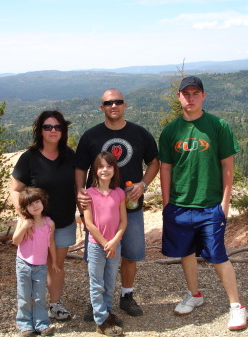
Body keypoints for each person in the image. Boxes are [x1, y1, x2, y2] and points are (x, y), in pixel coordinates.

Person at [158, 76, 248, 331]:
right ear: (179, 97)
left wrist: (224, 204)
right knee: (186, 252)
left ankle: (236, 306)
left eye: (195, 93)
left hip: (210, 205)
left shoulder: (218, 126)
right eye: (185, 93)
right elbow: (165, 168)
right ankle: (194, 294)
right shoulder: (170, 130)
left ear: (203, 96)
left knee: (218, 255)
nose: (190, 97)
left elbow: (227, 167)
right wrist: (167, 204)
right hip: (179, 204)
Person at [75, 88, 159, 318]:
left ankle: (126, 296)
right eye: (109, 103)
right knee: (97, 255)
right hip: (98, 206)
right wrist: (79, 192)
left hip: (130, 205)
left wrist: (143, 184)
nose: (114, 106)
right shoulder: (91, 136)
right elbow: (80, 167)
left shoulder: (139, 134)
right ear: (101, 107)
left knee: (130, 254)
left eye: (118, 102)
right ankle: (97, 302)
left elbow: (154, 162)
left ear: (125, 105)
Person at [10, 110, 76, 321]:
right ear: (40, 130)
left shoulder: (70, 155)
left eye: (57, 126)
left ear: (63, 130)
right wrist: (23, 216)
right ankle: (32, 311)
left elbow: (78, 186)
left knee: (56, 264)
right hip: (37, 224)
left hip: (64, 221)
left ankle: (54, 305)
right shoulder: (29, 158)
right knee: (35, 267)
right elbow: (14, 189)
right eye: (48, 127)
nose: (53, 131)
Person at [83, 152, 127, 336]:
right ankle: (100, 320)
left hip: (114, 244)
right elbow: (89, 223)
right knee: (97, 283)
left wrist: (114, 242)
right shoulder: (89, 193)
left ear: (114, 169)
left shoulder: (119, 193)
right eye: (101, 167)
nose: (105, 170)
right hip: (96, 246)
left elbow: (123, 221)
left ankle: (108, 311)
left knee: (109, 281)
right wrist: (104, 243)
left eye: (109, 166)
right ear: (95, 170)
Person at [13, 187, 58, 337]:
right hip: (23, 264)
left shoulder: (49, 223)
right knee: (24, 296)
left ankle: (42, 325)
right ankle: (25, 326)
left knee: (39, 296)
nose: (35, 206)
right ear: (25, 208)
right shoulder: (24, 221)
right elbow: (16, 241)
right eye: (30, 204)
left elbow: (51, 243)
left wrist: (54, 262)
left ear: (42, 202)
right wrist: (25, 227)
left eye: (37, 201)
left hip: (40, 265)